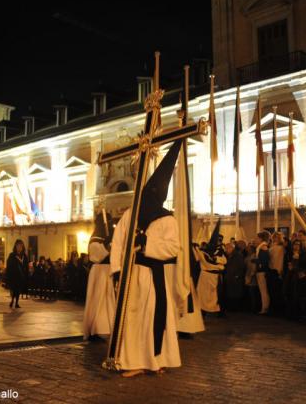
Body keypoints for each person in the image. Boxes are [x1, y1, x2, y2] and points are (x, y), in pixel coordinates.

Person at [110, 140, 182, 377]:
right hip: (132, 275)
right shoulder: (130, 214)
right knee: (131, 319)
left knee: (151, 317)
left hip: (153, 276)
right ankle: (132, 360)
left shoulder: (167, 219)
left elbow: (173, 248)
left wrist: (146, 245)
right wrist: (118, 271)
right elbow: (118, 243)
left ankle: (155, 359)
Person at [83, 210, 115, 340]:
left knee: (107, 300)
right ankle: (96, 328)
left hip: (107, 271)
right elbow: (96, 256)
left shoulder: (108, 237)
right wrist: (106, 245)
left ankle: (107, 326)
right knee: (98, 300)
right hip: (99, 271)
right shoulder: (95, 238)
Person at [196, 221, 226, 316]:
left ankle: (219, 312)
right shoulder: (203, 253)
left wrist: (217, 261)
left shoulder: (220, 252)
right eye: (217, 240)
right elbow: (214, 263)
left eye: (220, 240)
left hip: (215, 277)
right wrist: (218, 264)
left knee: (216, 295)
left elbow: (224, 262)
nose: (219, 242)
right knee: (203, 296)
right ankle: (202, 312)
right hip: (206, 276)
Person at [6, 239, 28, 309]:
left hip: (20, 277)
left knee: (18, 290)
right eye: (18, 246)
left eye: (21, 246)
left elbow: (26, 266)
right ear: (15, 247)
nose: (19, 248)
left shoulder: (24, 256)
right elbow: (9, 265)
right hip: (13, 276)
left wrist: (25, 272)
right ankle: (12, 300)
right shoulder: (12, 255)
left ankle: (16, 303)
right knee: (13, 290)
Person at [254, 231, 271, 315]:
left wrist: (257, 262)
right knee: (263, 291)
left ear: (261, 238)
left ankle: (265, 308)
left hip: (262, 272)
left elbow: (264, 260)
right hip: (261, 271)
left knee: (263, 291)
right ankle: (264, 307)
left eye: (257, 238)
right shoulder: (261, 247)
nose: (255, 239)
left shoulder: (263, 247)